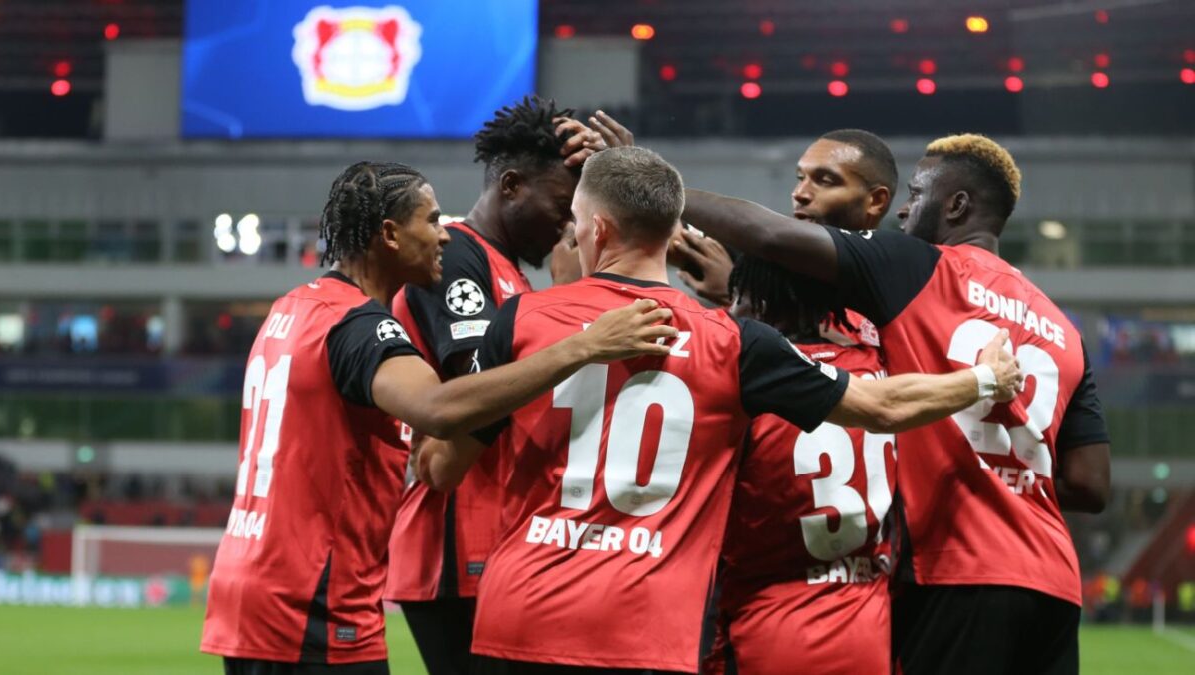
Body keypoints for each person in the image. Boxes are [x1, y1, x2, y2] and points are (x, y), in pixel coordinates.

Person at [417, 147, 1021, 674]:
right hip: (650, 629)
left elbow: (442, 465)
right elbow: (880, 406)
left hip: (522, 618)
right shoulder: (736, 342)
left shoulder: (524, 319)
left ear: (596, 230)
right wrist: (985, 379)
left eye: (574, 225)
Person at [200, 161, 678, 675]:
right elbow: (441, 409)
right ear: (389, 234)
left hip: (247, 588)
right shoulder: (359, 327)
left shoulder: (291, 309)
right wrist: (583, 346)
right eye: (430, 222)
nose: (444, 237)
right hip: (313, 595)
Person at [681, 134, 1111, 675]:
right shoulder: (1061, 327)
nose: (906, 208)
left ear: (954, 206)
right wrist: (1001, 472)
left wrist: (652, 188)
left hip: (955, 574)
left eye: (915, 192)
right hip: (1053, 583)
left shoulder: (920, 268)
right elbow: (1091, 485)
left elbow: (770, 235)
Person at [382, 97, 607, 675]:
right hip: (456, 546)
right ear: (511, 185)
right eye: (561, 204)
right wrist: (569, 314)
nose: (568, 224)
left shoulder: (512, 273)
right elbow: (473, 397)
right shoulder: (456, 254)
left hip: (499, 537)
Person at [702, 255, 896, 675]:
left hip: (769, 627)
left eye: (739, 298)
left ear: (765, 308)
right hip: (868, 627)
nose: (730, 312)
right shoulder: (876, 368)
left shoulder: (749, 388)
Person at [669, 127, 895, 348]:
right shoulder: (765, 261)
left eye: (825, 181)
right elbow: (667, 238)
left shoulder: (898, 278)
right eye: (800, 177)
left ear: (875, 201)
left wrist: (736, 298)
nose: (800, 193)